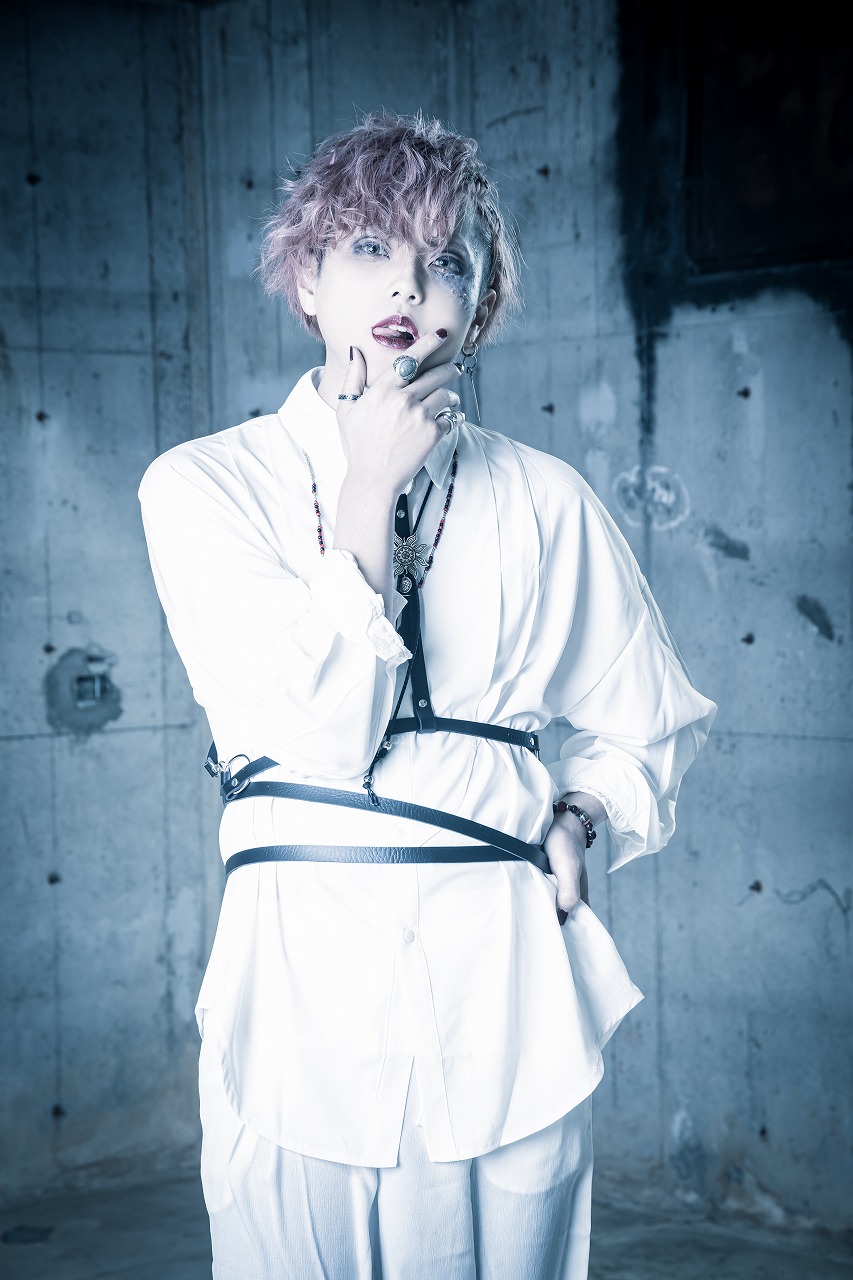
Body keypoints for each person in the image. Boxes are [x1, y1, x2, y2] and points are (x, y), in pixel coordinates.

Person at [138, 111, 716, 1280]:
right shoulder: (204, 486)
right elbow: (320, 737)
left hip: (501, 982)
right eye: (369, 246)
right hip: (295, 987)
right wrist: (366, 487)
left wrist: (584, 812)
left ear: (478, 301)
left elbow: (643, 721)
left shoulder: (545, 499)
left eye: (444, 258)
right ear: (307, 279)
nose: (408, 282)